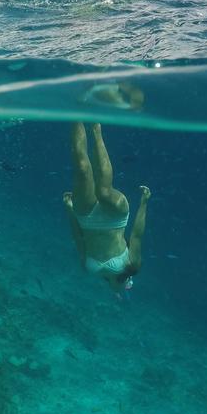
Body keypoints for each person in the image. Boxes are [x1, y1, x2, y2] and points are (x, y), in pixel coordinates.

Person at [64, 123, 150, 292]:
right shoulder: (133, 266)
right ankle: (96, 129)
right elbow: (137, 236)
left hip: (86, 219)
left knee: (82, 169)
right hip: (115, 220)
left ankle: (76, 115)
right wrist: (144, 202)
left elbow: (78, 237)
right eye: (128, 286)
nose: (126, 286)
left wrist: (69, 209)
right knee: (103, 191)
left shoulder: (88, 269)